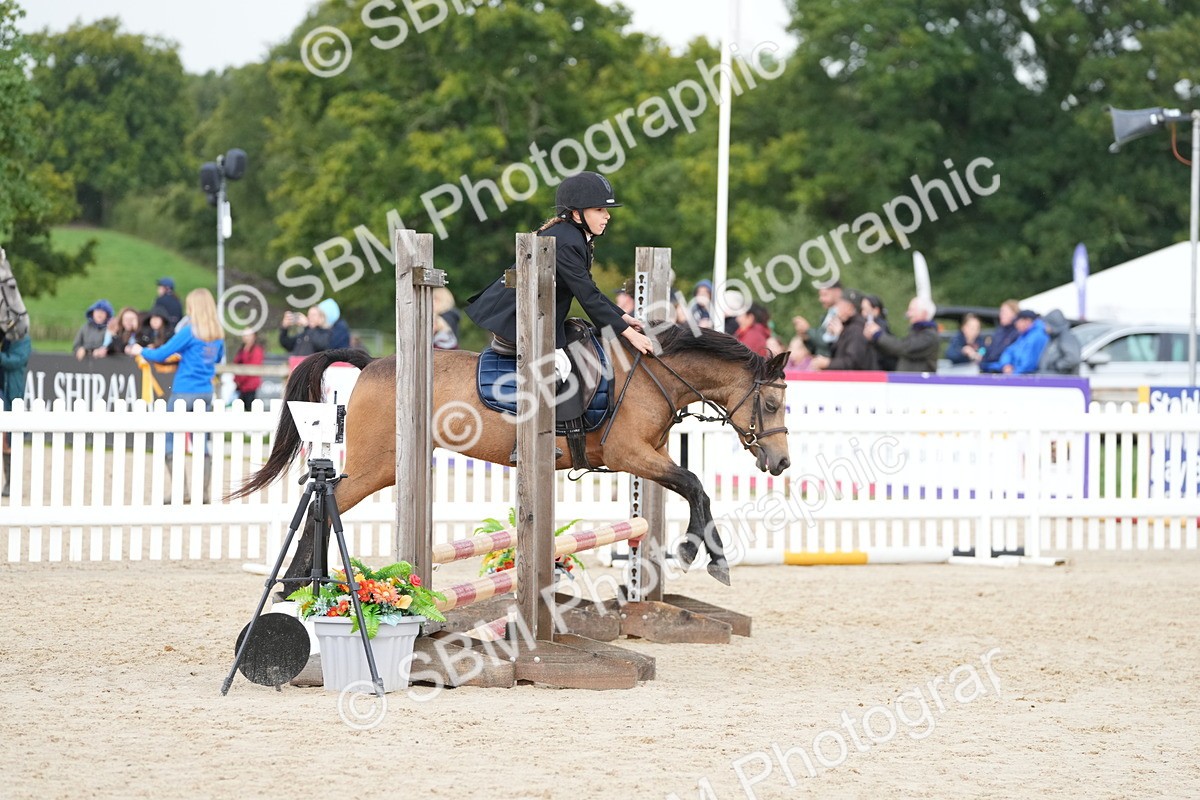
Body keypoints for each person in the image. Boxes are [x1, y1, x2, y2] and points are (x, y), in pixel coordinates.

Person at [465, 171, 653, 464]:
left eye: (606, 210)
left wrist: (622, 316)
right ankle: (526, 438)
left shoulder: (574, 235)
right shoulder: (567, 241)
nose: (607, 216)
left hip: (539, 315)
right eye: (599, 210)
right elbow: (587, 297)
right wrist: (628, 334)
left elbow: (590, 290)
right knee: (560, 364)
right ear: (577, 214)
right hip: (518, 319)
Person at [128, 289, 225, 500]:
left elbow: (161, 353)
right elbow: (217, 357)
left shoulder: (190, 331)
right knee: (201, 441)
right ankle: (203, 493)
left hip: (184, 390)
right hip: (206, 392)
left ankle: (181, 491)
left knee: (170, 438)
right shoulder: (217, 333)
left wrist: (140, 351)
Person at [864, 296, 940, 372]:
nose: (908, 314)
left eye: (912, 310)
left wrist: (878, 335)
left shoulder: (929, 336)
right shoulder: (917, 332)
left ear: (924, 313)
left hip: (918, 383)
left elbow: (903, 348)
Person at [812, 290, 878, 371]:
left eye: (839, 304)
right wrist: (837, 336)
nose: (836, 308)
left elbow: (852, 362)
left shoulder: (856, 330)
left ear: (849, 308)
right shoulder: (848, 327)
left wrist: (828, 363)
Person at [1, 328, 31, 498]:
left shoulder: (23, 340)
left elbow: (17, 361)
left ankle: (11, 482)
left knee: (7, 439)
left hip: (11, 392)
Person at [998, 310, 1049, 375]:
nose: (1015, 325)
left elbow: (1029, 364)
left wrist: (1013, 374)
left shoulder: (1037, 336)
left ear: (1027, 321)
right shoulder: (1024, 335)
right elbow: (1009, 351)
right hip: (1019, 374)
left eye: (1017, 321)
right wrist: (1006, 364)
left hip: (1028, 378)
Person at [980, 299, 1021, 373]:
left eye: (1004, 312)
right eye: (1001, 312)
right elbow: (987, 348)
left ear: (1014, 314)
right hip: (989, 367)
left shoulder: (1018, 332)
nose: (1001, 315)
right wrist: (980, 354)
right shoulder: (999, 330)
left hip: (1003, 370)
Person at [1037, 309, 1082, 375]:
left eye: (1046, 324)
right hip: (1054, 379)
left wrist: (1057, 366)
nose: (1045, 327)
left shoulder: (1067, 338)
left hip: (1063, 380)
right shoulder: (1054, 337)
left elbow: (1073, 359)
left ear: (1053, 324)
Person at [860, 294, 897, 371]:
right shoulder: (883, 325)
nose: (863, 313)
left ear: (876, 310)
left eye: (865, 310)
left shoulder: (878, 327)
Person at [233, 331, 264, 408]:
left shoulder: (256, 350)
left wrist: (240, 380)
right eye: (245, 335)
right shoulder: (241, 350)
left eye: (248, 335)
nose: (246, 337)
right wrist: (237, 380)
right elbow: (236, 363)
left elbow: (253, 367)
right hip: (240, 387)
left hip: (251, 387)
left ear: (254, 336)